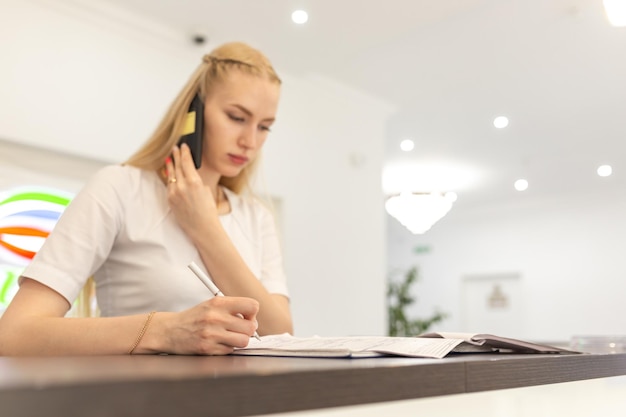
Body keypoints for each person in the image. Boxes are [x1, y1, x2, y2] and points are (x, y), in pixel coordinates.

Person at [0, 41, 293, 355]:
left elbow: (281, 333)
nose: (250, 141)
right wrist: (166, 331)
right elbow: (14, 333)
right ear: (192, 112)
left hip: (244, 402)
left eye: (264, 127)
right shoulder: (119, 187)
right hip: (135, 401)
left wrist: (206, 227)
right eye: (236, 117)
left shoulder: (256, 216)